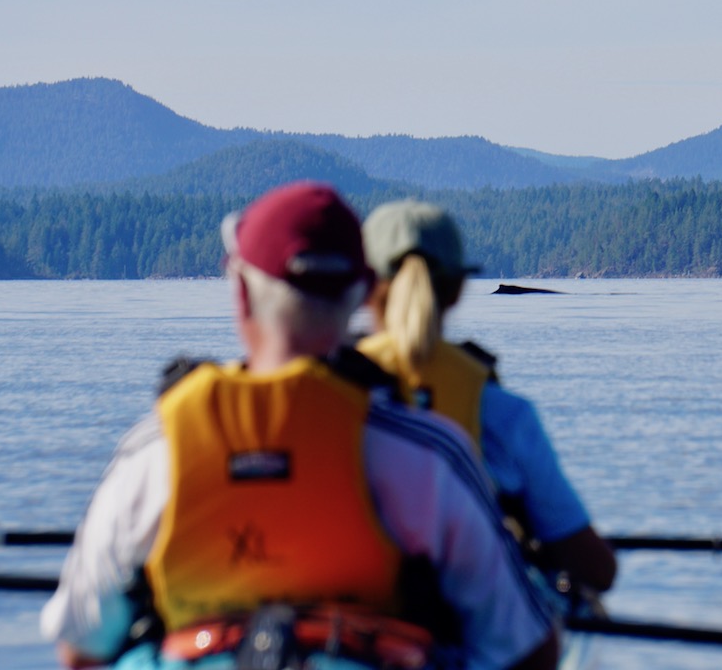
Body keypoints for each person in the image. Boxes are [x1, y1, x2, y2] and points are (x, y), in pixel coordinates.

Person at [41, 182, 558, 670]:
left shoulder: (153, 451)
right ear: (359, 295)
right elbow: (528, 649)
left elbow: (81, 648)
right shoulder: (430, 453)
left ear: (241, 292)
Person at [356, 199, 617, 596]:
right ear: (459, 289)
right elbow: (598, 571)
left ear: (361, 287)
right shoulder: (502, 414)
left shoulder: (319, 397)